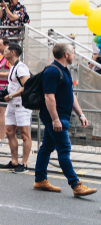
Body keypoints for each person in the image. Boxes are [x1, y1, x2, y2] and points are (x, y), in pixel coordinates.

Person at [33, 43, 95, 196]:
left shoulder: (64, 70)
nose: (74, 55)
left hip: (63, 116)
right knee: (64, 149)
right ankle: (76, 185)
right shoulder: (52, 71)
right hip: (56, 118)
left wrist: (80, 114)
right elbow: (49, 96)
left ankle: (40, 180)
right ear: (66, 55)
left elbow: (70, 94)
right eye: (73, 53)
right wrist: (55, 119)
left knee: (47, 147)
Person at [0, 43, 32, 173]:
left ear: (13, 53)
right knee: (9, 132)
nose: (4, 52)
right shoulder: (13, 67)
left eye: (6, 50)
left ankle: (24, 164)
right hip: (12, 105)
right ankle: (14, 161)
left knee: (25, 134)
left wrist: (12, 95)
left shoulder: (21, 68)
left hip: (22, 105)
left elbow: (27, 86)